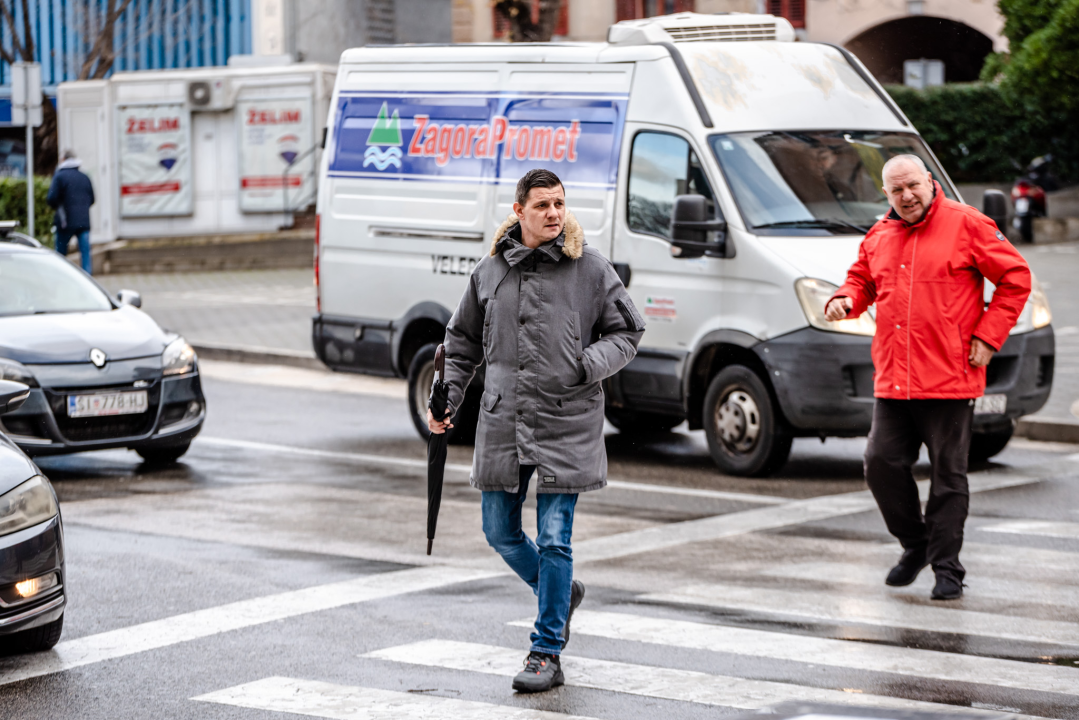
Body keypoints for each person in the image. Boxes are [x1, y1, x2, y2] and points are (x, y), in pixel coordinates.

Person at [428, 169, 643, 692]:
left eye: (560, 204)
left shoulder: (590, 267)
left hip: (567, 419)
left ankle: (545, 651)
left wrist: (585, 363)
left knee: (553, 538)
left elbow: (628, 330)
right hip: (503, 418)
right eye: (543, 205)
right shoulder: (490, 271)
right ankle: (561, 593)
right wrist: (446, 399)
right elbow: (459, 346)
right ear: (519, 209)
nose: (554, 214)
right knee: (499, 531)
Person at [826, 155, 1031, 600]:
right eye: (897, 190)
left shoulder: (967, 223)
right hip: (894, 378)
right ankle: (916, 544)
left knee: (948, 476)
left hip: (950, 377)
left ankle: (947, 569)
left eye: (913, 186)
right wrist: (844, 298)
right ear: (886, 194)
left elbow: (1016, 277)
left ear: (930, 181)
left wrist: (989, 337)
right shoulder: (880, 234)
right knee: (880, 465)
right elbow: (860, 280)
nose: (907, 196)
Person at [47, 150, 96, 274]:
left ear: (63, 159)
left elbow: (51, 198)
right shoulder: (85, 177)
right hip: (83, 222)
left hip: (65, 222)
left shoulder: (59, 176)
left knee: (61, 255)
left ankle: (60, 276)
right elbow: (92, 199)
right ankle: (88, 278)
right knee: (85, 253)